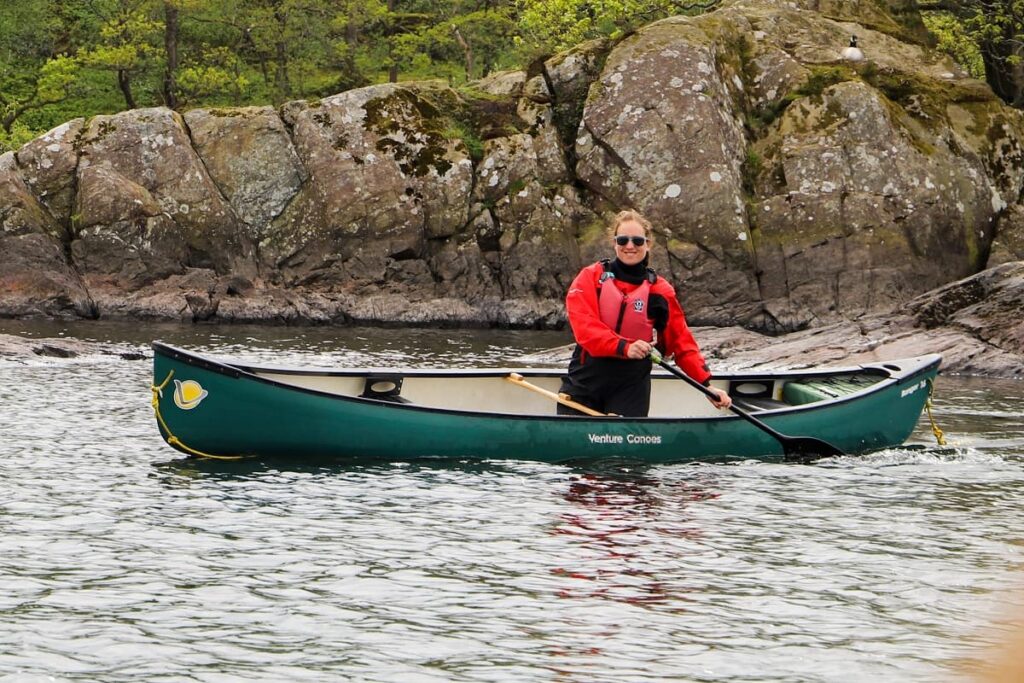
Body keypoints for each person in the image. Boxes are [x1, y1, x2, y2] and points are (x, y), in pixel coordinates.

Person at [558, 210, 732, 417]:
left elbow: (681, 341)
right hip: (585, 379)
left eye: (638, 241)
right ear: (614, 243)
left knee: (624, 436)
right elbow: (585, 329)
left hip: (630, 385)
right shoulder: (590, 277)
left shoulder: (661, 291)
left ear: (648, 244)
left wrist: (706, 385)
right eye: (623, 240)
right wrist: (625, 347)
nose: (630, 246)